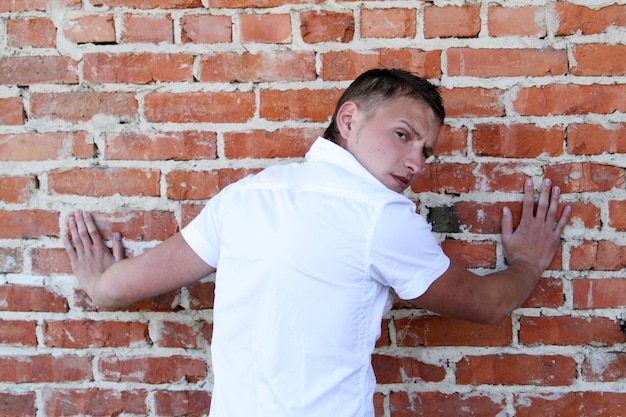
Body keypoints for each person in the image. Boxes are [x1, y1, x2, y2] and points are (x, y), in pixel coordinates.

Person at [63, 68, 571, 417]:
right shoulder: (381, 215)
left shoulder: (248, 195)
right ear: (349, 121)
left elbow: (118, 288)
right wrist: (526, 262)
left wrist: (98, 282)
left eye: (426, 149)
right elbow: (484, 305)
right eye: (403, 135)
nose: (417, 161)